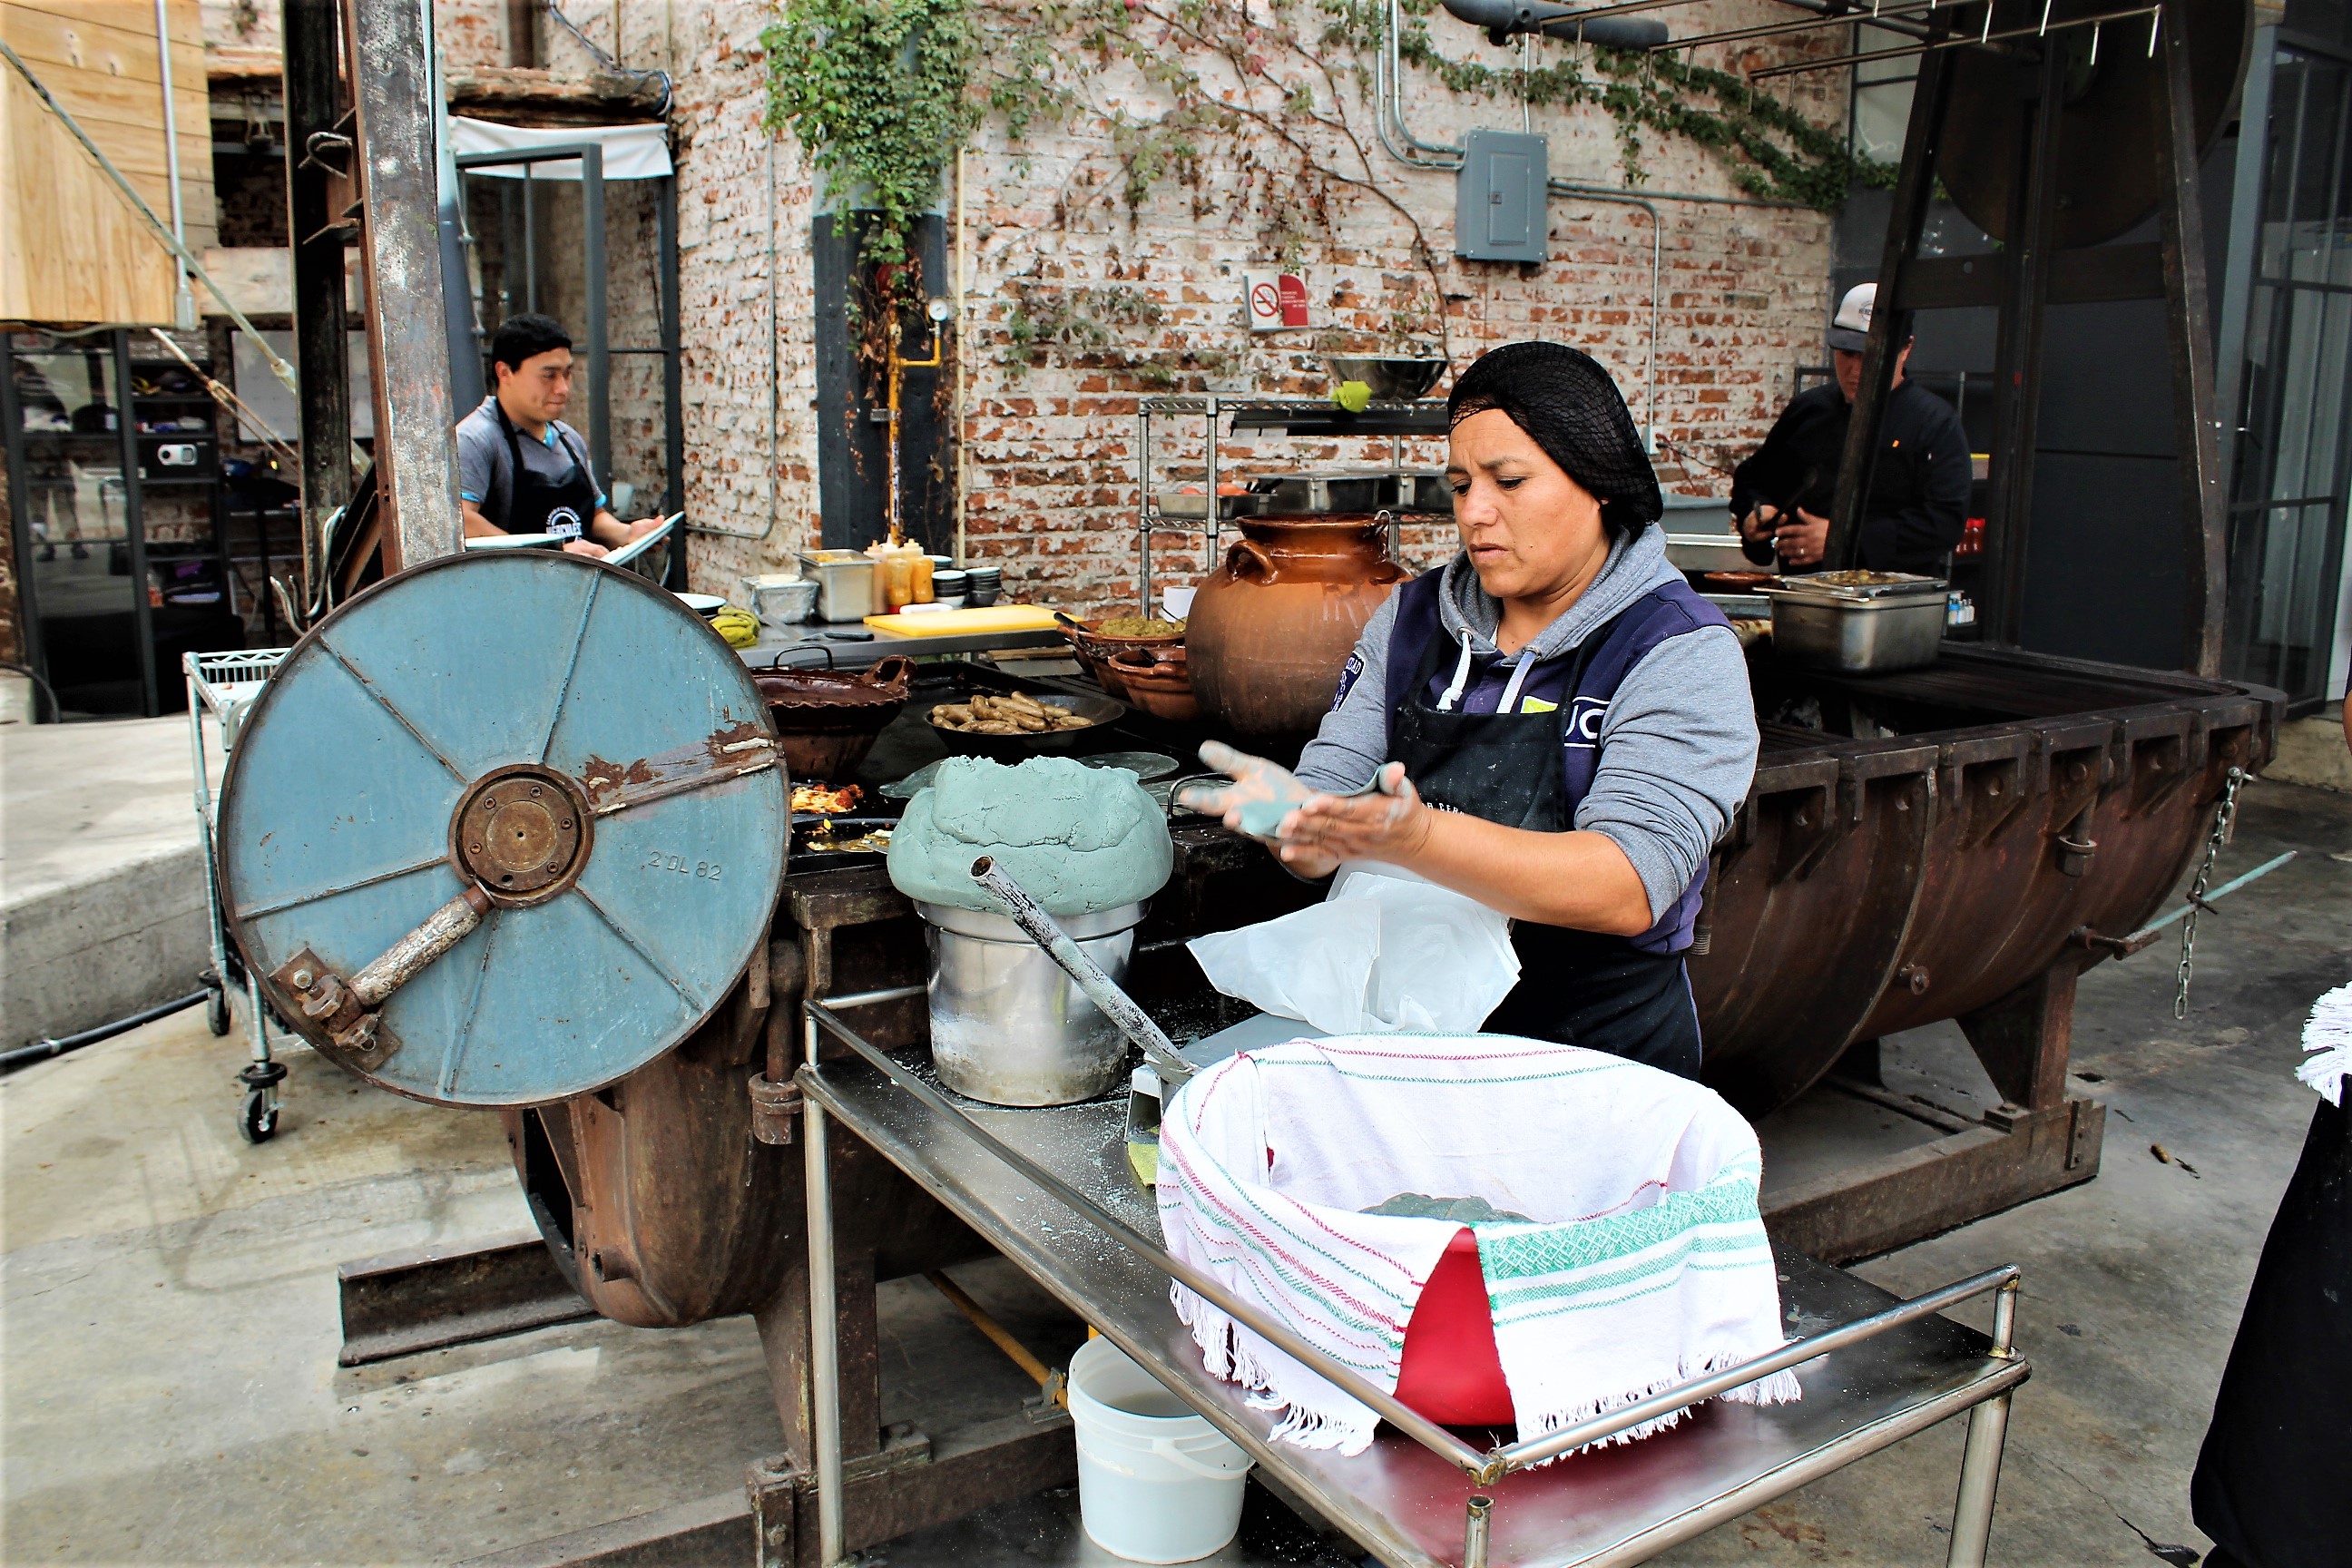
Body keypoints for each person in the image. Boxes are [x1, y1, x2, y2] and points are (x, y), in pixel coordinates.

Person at [1181, 342, 1759, 1078]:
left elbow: (1630, 883)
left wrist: (1418, 839)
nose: (1475, 513)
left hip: (1591, 1053)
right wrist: (1302, 827)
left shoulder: (1678, 648)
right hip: (1406, 1036)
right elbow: (1331, 795)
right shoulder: (1415, 618)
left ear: (1599, 482)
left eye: (1509, 481)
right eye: (1460, 485)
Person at [1730, 282, 1970, 573]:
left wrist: (1845, 539)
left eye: (1869, 356)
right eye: (1846, 353)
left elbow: (1943, 522)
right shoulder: (1808, 410)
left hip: (1892, 601)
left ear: (1905, 349)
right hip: (1804, 592)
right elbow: (1754, 479)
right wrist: (1756, 512)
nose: (1855, 370)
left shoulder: (1934, 423)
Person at [456, 314, 662, 558]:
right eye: (549, 375)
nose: (562, 388)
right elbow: (462, 520)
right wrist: (550, 554)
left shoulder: (569, 439)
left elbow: (594, 516)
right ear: (504, 372)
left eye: (567, 374)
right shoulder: (476, 439)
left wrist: (628, 534)